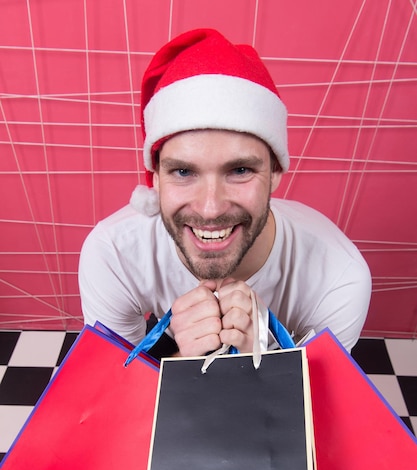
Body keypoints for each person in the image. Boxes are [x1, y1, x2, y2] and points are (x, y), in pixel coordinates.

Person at [79, 28, 371, 357]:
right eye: (183, 171)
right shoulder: (112, 253)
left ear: (275, 172)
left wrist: (251, 364)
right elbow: (111, 396)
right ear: (155, 179)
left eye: (240, 170)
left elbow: (313, 404)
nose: (210, 208)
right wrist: (181, 363)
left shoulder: (338, 278)